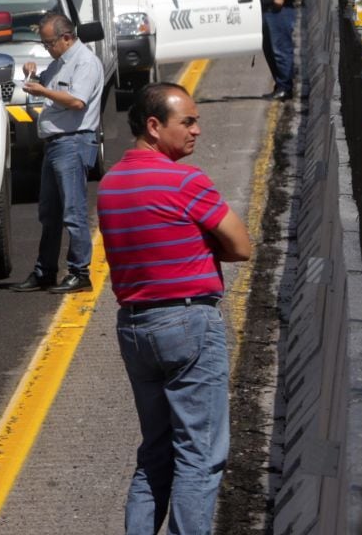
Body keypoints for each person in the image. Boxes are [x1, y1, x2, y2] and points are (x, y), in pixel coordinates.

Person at [98, 83, 251, 535]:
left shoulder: (110, 185)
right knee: (199, 454)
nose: (197, 131)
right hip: (188, 324)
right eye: (187, 122)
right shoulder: (185, 181)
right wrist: (203, 247)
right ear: (154, 126)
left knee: (156, 452)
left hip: (135, 328)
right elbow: (241, 245)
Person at [11, 12, 105, 295]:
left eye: (49, 43)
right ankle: (45, 271)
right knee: (49, 212)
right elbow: (46, 87)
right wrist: (32, 75)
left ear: (66, 38)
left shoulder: (85, 62)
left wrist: (43, 90)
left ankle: (79, 272)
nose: (47, 49)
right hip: (55, 143)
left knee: (73, 211)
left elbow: (76, 101)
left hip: (73, 142)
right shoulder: (59, 63)